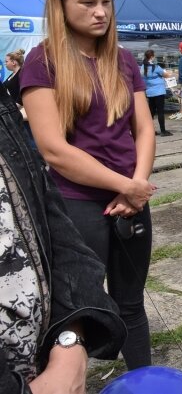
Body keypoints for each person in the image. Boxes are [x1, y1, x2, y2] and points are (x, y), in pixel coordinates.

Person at [20, 0, 157, 371]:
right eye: (87, 2)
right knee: (75, 311)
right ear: (60, 5)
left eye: (106, 1)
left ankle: (144, 382)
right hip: (75, 203)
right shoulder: (41, 62)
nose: (100, 11)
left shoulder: (124, 61)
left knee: (131, 303)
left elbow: (145, 130)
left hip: (132, 199)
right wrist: (127, 186)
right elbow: (53, 149)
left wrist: (136, 185)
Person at [0, 84, 127, 394]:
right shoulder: (40, 70)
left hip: (46, 360)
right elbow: (54, 150)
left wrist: (70, 342)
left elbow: (48, 213)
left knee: (128, 301)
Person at [141, 49, 173, 136]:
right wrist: (170, 73)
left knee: (151, 112)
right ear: (152, 57)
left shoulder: (143, 67)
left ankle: (151, 130)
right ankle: (163, 130)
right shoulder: (156, 67)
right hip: (159, 91)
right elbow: (166, 75)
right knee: (160, 112)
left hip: (149, 92)